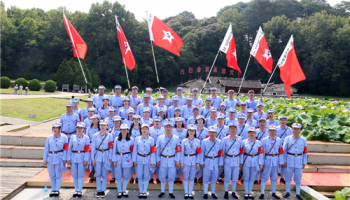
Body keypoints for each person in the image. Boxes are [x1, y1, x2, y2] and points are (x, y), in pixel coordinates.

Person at [283, 123, 308, 200]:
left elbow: (305, 152)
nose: (295, 130)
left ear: (300, 130)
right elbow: (284, 151)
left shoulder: (303, 140)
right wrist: (284, 161)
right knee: (288, 177)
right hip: (289, 160)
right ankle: (287, 192)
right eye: (294, 128)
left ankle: (297, 194)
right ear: (292, 129)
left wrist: (304, 162)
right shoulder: (287, 138)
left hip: (299, 161)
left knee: (298, 178)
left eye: (297, 129)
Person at [156, 122, 181, 199]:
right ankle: (162, 191)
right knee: (162, 177)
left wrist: (177, 160)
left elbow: (178, 150)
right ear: (164, 128)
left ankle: (170, 192)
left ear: (172, 128)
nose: (168, 128)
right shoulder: (160, 137)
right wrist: (157, 160)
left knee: (171, 177)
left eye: (169, 127)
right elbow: (157, 150)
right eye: (166, 127)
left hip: (172, 159)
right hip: (163, 159)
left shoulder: (176, 138)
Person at [43, 122, 68, 197]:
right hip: (51, 157)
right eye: (54, 128)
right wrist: (45, 159)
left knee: (58, 174)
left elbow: (66, 149)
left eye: (57, 128)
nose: (55, 129)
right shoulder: (49, 138)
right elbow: (46, 149)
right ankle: (53, 189)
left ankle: (57, 189)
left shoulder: (64, 137)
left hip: (59, 157)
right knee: (52, 174)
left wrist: (65, 159)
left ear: (60, 129)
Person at [259, 125, 284, 200]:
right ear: (268, 131)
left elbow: (281, 151)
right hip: (267, 160)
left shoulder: (279, 140)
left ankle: (274, 193)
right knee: (264, 178)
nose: (272, 132)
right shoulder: (264, 140)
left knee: (274, 178)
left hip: (275, 161)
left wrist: (281, 162)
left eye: (274, 130)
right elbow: (261, 152)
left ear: (276, 131)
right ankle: (262, 193)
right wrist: (261, 162)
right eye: (271, 130)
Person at [91, 119, 114, 198]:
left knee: (105, 173)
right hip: (98, 156)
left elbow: (111, 148)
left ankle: (103, 189)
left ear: (107, 126)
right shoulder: (95, 135)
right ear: (99, 126)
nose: (103, 127)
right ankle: (99, 189)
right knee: (98, 173)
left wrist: (110, 158)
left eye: (104, 125)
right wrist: (93, 159)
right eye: (101, 125)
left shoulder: (110, 135)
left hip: (106, 155)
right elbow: (93, 148)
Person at [133, 123, 156, 198]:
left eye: (146, 129)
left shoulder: (151, 139)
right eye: (143, 129)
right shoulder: (137, 139)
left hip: (147, 159)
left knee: (146, 176)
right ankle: (140, 191)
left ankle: (145, 191)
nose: (144, 130)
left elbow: (152, 151)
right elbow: (135, 150)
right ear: (141, 130)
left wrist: (152, 161)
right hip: (139, 159)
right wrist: (134, 160)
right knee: (139, 176)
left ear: (148, 130)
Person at [67, 122, 90, 198]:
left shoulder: (86, 138)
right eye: (78, 128)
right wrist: (68, 159)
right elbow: (69, 149)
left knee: (81, 174)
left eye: (81, 128)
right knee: (74, 174)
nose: (79, 129)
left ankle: (80, 190)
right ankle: (76, 189)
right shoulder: (73, 137)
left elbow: (87, 150)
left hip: (82, 157)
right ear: (76, 129)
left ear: (84, 129)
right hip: (73, 157)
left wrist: (86, 160)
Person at [201, 126, 224, 199]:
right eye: (211, 132)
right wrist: (202, 162)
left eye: (214, 132)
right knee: (206, 178)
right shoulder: (204, 141)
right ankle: (205, 193)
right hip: (207, 161)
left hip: (216, 162)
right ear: (208, 133)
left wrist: (220, 163)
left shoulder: (219, 141)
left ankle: (213, 193)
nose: (212, 134)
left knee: (214, 178)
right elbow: (202, 153)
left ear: (216, 133)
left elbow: (220, 153)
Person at [222, 123, 244, 199]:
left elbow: (241, 152)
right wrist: (223, 162)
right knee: (227, 177)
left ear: (236, 130)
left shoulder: (240, 139)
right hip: (228, 159)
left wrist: (241, 162)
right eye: (231, 128)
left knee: (235, 178)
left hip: (236, 160)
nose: (233, 130)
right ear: (229, 130)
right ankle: (226, 192)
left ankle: (233, 192)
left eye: (234, 129)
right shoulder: (225, 139)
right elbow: (223, 151)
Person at [112, 123, 134, 198]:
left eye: (125, 130)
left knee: (125, 176)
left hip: (127, 158)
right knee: (118, 176)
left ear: (128, 130)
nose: (124, 131)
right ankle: (119, 191)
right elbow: (114, 150)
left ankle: (124, 190)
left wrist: (132, 161)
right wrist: (114, 160)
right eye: (122, 129)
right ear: (120, 130)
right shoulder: (116, 139)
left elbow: (132, 151)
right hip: (118, 158)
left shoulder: (131, 139)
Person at [242, 127, 264, 200]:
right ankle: (246, 192)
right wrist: (241, 163)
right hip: (246, 160)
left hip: (255, 161)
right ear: (248, 134)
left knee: (252, 178)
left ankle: (250, 192)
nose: (251, 134)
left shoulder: (258, 142)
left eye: (253, 132)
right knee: (246, 177)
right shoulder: (244, 142)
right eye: (250, 132)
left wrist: (261, 163)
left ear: (255, 134)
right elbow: (241, 153)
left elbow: (261, 154)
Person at [181, 124, 202, 199]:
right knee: (186, 177)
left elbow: (199, 153)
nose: (191, 132)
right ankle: (186, 192)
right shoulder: (184, 141)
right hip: (186, 160)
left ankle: (190, 192)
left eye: (193, 130)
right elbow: (182, 152)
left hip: (193, 160)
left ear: (195, 132)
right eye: (190, 130)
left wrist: (197, 162)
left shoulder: (197, 141)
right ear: (187, 131)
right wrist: (182, 162)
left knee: (192, 177)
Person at [149, 117, 165, 184]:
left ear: (161, 122)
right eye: (155, 121)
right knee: (152, 162)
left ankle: (158, 178)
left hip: (160, 148)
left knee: (159, 163)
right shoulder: (150, 129)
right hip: (152, 147)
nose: (157, 122)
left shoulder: (164, 129)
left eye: (158, 121)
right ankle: (151, 178)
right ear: (153, 122)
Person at [276, 115, 292, 184]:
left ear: (286, 121)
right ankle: (274, 178)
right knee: (276, 163)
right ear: (279, 121)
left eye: (284, 120)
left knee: (284, 164)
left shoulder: (290, 129)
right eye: (281, 120)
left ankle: (282, 177)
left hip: (286, 149)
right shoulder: (276, 129)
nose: (283, 121)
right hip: (278, 148)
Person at [172, 117, 187, 184]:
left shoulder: (185, 131)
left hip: (183, 147)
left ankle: (179, 177)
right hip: (175, 147)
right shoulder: (173, 130)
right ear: (175, 123)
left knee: (181, 162)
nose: (178, 123)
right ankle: (175, 177)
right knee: (175, 161)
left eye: (180, 122)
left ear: (182, 123)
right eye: (177, 122)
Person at [86, 114, 100, 183]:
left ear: (98, 120)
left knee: (97, 161)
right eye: (92, 119)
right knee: (91, 161)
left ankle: (97, 175)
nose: (93, 120)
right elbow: (86, 137)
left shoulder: (100, 128)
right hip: (90, 145)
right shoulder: (89, 128)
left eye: (95, 119)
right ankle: (92, 175)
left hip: (98, 146)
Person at [109, 116, 122, 183]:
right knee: (113, 162)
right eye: (115, 121)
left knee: (120, 162)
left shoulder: (123, 129)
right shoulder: (110, 130)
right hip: (112, 148)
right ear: (113, 122)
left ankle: (119, 176)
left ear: (120, 122)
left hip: (120, 148)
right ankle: (114, 176)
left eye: (118, 121)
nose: (116, 122)